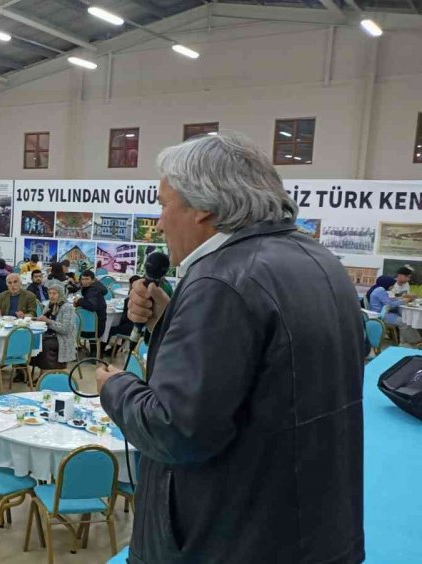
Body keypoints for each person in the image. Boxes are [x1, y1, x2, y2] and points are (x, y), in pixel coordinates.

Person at [94, 133, 363, 563]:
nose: (159, 223)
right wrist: (172, 318)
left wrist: (116, 386)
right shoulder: (316, 259)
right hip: (306, 527)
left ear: (203, 207)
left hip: (228, 537)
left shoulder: (221, 281)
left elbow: (176, 430)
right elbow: (268, 374)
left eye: (164, 204)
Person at [30, 280, 77, 373]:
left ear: (60, 294)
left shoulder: (67, 307)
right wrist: (35, 319)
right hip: (50, 335)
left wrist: (48, 321)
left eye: (54, 293)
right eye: (50, 293)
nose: (51, 296)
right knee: (34, 341)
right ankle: (39, 372)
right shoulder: (50, 305)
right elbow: (44, 319)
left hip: (63, 338)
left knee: (44, 345)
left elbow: (65, 329)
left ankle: (46, 374)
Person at [367, 275, 422, 345]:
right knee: (405, 322)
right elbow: (390, 305)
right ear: (387, 284)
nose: (393, 287)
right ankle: (411, 341)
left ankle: (407, 341)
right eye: (392, 285)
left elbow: (388, 300)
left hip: (382, 314)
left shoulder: (378, 289)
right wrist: (403, 301)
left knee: (404, 320)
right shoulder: (380, 291)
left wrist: (401, 298)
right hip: (381, 316)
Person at [74, 269, 107, 339]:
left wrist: (79, 300)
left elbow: (92, 306)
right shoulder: (95, 288)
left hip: (94, 329)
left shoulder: (93, 290)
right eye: (83, 279)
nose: (85, 281)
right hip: (95, 327)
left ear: (93, 280)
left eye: (87, 279)